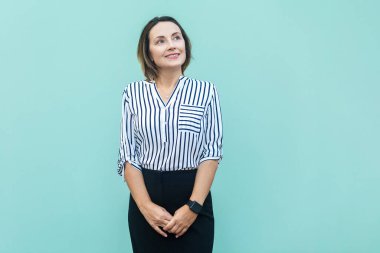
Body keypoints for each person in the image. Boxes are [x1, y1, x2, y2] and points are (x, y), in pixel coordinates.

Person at [117, 16, 223, 253]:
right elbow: (128, 154)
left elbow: (212, 152)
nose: (172, 45)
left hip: (192, 193)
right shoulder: (132, 93)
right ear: (149, 52)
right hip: (146, 193)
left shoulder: (206, 91)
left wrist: (193, 206)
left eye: (176, 38)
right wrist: (145, 207)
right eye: (161, 41)